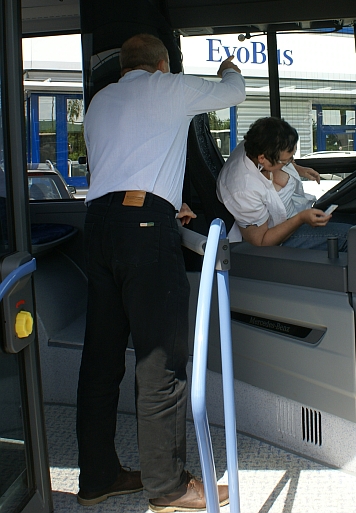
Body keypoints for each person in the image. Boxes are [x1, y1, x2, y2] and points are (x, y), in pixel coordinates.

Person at [76, 33, 246, 511]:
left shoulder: (100, 102)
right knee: (160, 362)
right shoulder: (167, 87)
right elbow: (236, 91)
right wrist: (230, 65)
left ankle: (98, 477)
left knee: (101, 362)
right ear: (161, 64)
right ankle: (169, 488)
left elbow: (123, 171)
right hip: (145, 233)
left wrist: (167, 203)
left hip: (101, 228)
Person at [217, 116, 352, 251]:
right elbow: (261, 242)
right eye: (286, 161)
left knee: (352, 224)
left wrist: (299, 169)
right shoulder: (244, 189)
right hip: (279, 237)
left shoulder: (258, 144)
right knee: (351, 237)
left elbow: (281, 156)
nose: (289, 163)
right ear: (262, 158)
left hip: (292, 214)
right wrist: (301, 219)